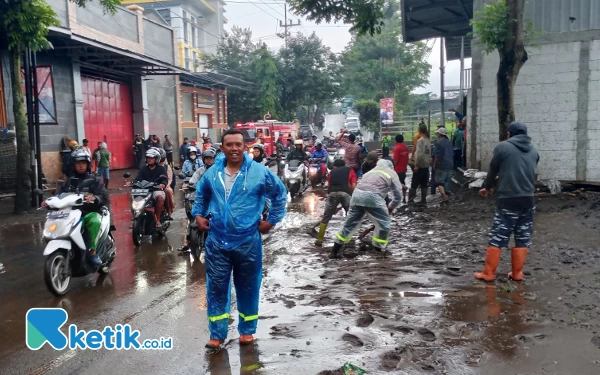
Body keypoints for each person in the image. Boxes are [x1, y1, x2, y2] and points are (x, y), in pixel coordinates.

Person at [192, 129, 287, 349]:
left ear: (245, 147)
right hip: (217, 241)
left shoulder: (258, 172)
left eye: (238, 144)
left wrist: (271, 221)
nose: (234, 148)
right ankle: (216, 335)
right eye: (229, 145)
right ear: (222, 148)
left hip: (247, 242)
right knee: (216, 288)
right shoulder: (212, 173)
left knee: (248, 287)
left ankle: (247, 332)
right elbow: (201, 193)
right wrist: (198, 214)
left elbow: (280, 194)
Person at [475, 121, 539, 282]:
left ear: (509, 134)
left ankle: (488, 273)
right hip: (528, 200)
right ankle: (517, 273)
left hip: (508, 199)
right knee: (522, 236)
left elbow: (493, 168)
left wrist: (487, 186)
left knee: (498, 236)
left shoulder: (503, 147)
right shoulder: (534, 150)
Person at [44, 149, 108, 266]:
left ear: (87, 164)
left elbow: (103, 195)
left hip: (89, 213)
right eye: (78, 163)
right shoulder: (68, 182)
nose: (81, 166)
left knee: (94, 222)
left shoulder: (95, 180)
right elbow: (58, 195)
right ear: (74, 165)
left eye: (83, 163)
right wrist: (48, 202)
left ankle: (93, 252)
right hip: (70, 214)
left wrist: (95, 198)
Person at [330, 159, 402, 259]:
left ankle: (334, 251)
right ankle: (378, 250)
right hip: (373, 198)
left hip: (356, 196)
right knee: (384, 224)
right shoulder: (391, 173)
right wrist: (391, 207)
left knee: (349, 224)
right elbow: (398, 195)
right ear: (391, 166)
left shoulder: (370, 172)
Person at [314, 159, 357, 247]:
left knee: (326, 217)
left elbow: (330, 184)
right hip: (345, 194)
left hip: (332, 194)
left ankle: (319, 240)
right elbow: (353, 185)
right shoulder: (350, 170)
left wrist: (333, 207)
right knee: (350, 216)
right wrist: (353, 196)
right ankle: (349, 239)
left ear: (335, 166)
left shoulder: (331, 172)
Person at [134, 148, 168, 228]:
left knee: (159, 197)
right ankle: (136, 215)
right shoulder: (143, 169)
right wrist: (132, 182)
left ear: (156, 159)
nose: (149, 159)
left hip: (156, 190)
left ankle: (158, 220)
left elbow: (164, 179)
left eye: (151, 158)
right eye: (148, 158)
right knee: (133, 197)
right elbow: (138, 178)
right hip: (145, 190)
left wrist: (162, 184)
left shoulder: (161, 169)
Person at [409, 124, 431, 204]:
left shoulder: (420, 141)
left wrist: (416, 165)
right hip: (426, 165)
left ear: (419, 130)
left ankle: (411, 200)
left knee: (414, 183)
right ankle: (423, 199)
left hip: (420, 165)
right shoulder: (428, 140)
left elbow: (418, 154)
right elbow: (428, 153)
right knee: (424, 183)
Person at [432, 127, 453, 203]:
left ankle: (444, 195)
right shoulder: (449, 142)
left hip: (442, 165)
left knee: (439, 182)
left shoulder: (438, 143)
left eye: (437, 133)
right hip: (450, 164)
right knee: (447, 181)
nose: (436, 133)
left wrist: (434, 164)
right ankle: (447, 193)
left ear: (440, 134)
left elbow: (437, 156)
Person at [157, 148, 175, 220]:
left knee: (168, 191)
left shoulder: (166, 167)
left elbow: (169, 179)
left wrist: (164, 185)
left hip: (163, 185)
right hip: (151, 186)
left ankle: (169, 211)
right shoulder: (149, 166)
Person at [392, 134, 409, 203]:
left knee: (396, 184)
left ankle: (397, 199)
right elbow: (407, 158)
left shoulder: (397, 148)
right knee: (402, 181)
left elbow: (395, 161)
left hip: (397, 169)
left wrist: (392, 167)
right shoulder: (405, 147)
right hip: (404, 169)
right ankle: (404, 198)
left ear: (396, 140)